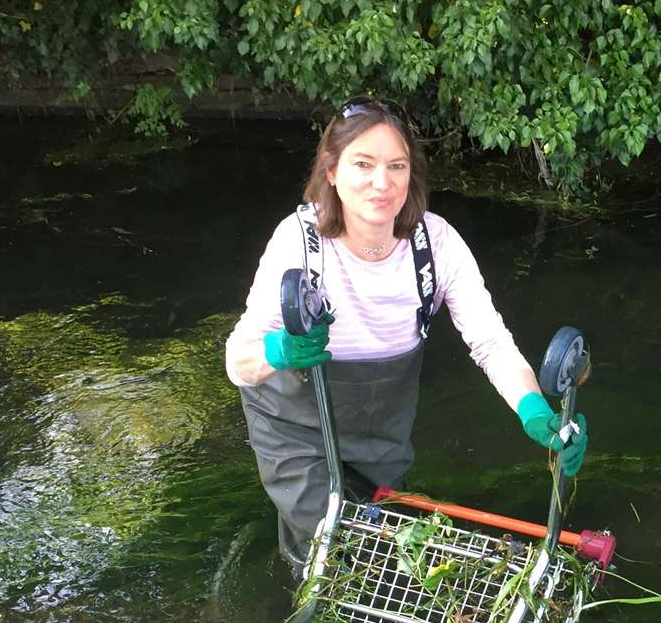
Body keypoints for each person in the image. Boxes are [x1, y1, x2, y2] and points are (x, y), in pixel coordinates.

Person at [225, 97, 588, 576]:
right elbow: (237, 362)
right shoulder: (298, 242)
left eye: (397, 165)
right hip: (294, 424)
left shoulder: (436, 245)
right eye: (363, 164)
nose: (383, 183)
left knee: (379, 543)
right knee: (328, 554)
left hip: (381, 427)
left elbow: (489, 341)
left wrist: (535, 411)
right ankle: (306, 612)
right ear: (331, 171)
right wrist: (281, 349)